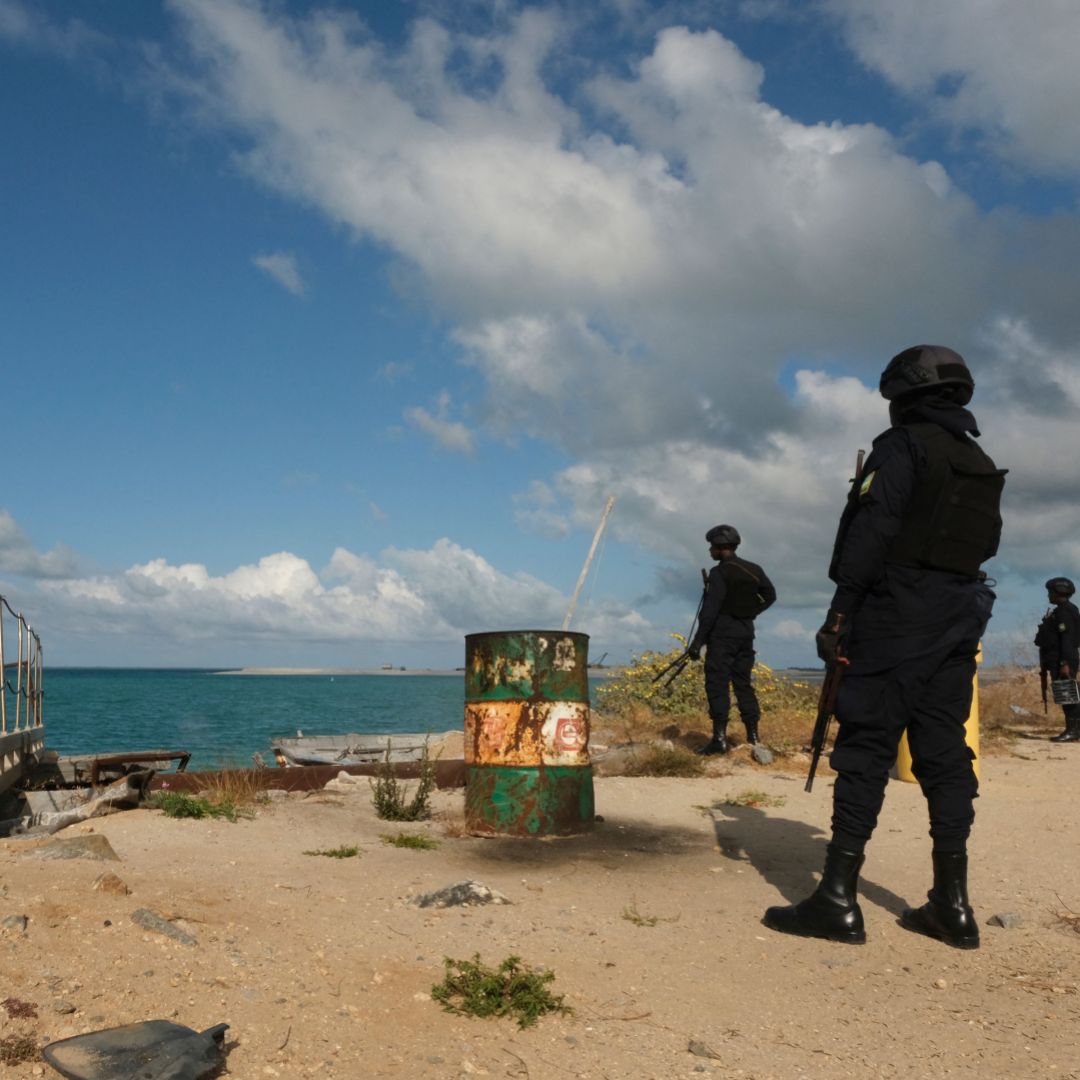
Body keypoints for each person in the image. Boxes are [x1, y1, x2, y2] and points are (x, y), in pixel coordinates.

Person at [763, 345, 1005, 949]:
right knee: (945, 753)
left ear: (902, 395)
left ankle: (837, 900)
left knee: (866, 743)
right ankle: (952, 905)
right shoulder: (975, 457)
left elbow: (874, 531)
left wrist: (840, 612)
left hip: (897, 613)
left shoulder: (902, 446)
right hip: (958, 615)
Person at [687, 525, 776, 753]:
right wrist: (750, 611)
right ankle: (753, 737)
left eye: (712, 547)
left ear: (720, 547)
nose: (709, 551)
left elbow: (709, 612)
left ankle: (719, 740)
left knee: (717, 685)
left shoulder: (719, 573)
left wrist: (697, 643)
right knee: (743, 685)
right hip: (746, 634)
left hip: (722, 636)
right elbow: (770, 595)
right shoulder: (753, 569)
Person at [1035, 577, 1080, 743]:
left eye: (1050, 592)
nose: (1049, 596)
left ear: (1058, 592)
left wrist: (1064, 664)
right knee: (1067, 695)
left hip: (1063, 660)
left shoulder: (1065, 611)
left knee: (1068, 695)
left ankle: (1073, 731)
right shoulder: (1064, 609)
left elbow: (1067, 639)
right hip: (1060, 659)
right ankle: (1074, 729)